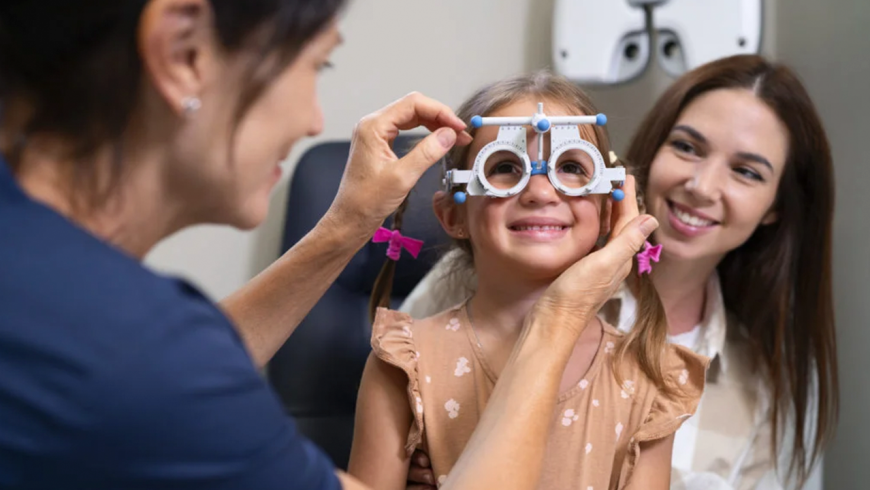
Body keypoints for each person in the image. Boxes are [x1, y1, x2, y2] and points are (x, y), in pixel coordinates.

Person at [0, 1, 660, 489]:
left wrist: (347, 225)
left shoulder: (76, 320)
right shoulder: (142, 364)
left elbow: (165, 373)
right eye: (317, 64)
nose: (317, 119)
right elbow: (161, 380)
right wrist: (561, 315)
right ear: (186, 54)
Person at [401, 55, 838, 490]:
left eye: (745, 172)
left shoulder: (772, 382)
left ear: (776, 207)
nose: (702, 187)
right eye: (686, 147)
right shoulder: (505, 265)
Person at [346, 73, 708, 490]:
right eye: (504, 167)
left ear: (610, 210)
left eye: (570, 167)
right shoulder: (404, 363)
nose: (539, 191)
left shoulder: (647, 375)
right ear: (452, 215)